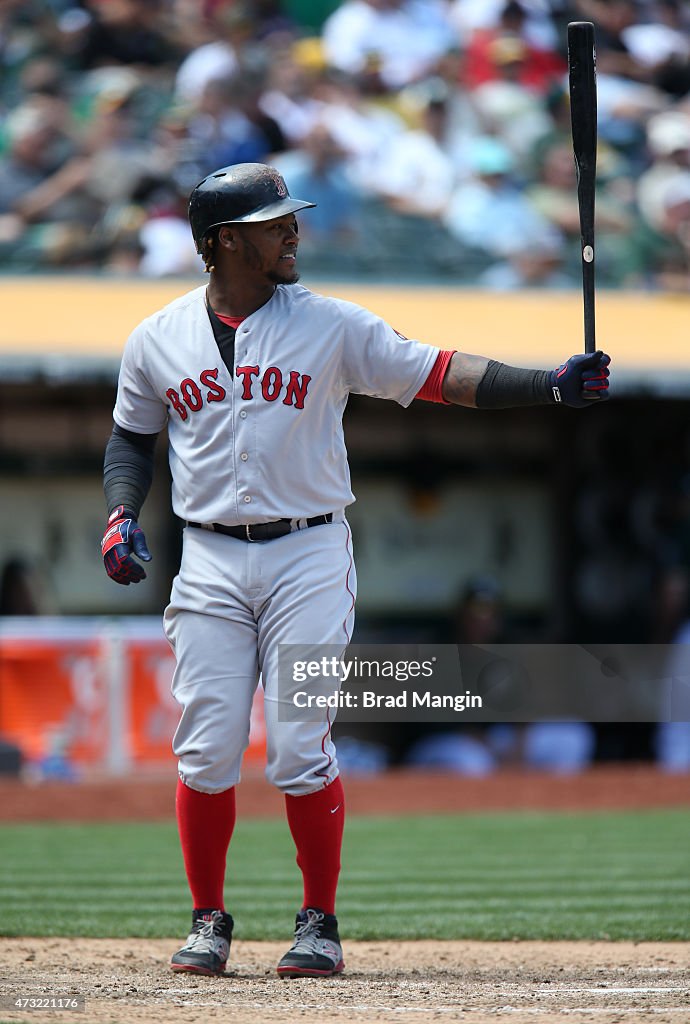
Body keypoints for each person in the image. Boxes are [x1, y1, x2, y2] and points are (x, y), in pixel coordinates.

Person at [100, 161, 611, 980]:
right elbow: (132, 436)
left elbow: (439, 373)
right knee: (205, 749)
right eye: (275, 224)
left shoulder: (329, 325)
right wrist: (121, 513)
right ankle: (208, 919)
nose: (293, 231)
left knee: (300, 746)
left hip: (308, 550)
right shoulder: (157, 337)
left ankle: (320, 922)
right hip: (208, 557)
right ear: (227, 241)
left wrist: (549, 386)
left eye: (290, 219)